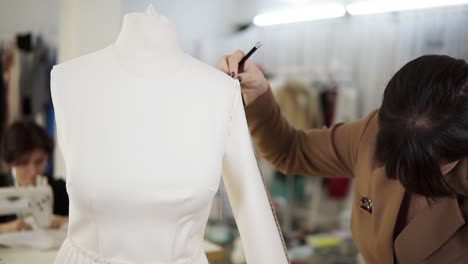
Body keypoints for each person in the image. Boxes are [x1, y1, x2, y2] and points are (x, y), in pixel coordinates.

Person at [219, 52, 468, 263]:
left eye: (416, 160)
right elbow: (290, 151)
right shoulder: (372, 134)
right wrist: (258, 92)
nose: (400, 172)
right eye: (393, 150)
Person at [0, 120, 69, 233]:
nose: (33, 171)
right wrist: (5, 228)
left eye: (39, 162)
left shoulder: (61, 189)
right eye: (23, 163)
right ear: (10, 162)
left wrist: (65, 221)